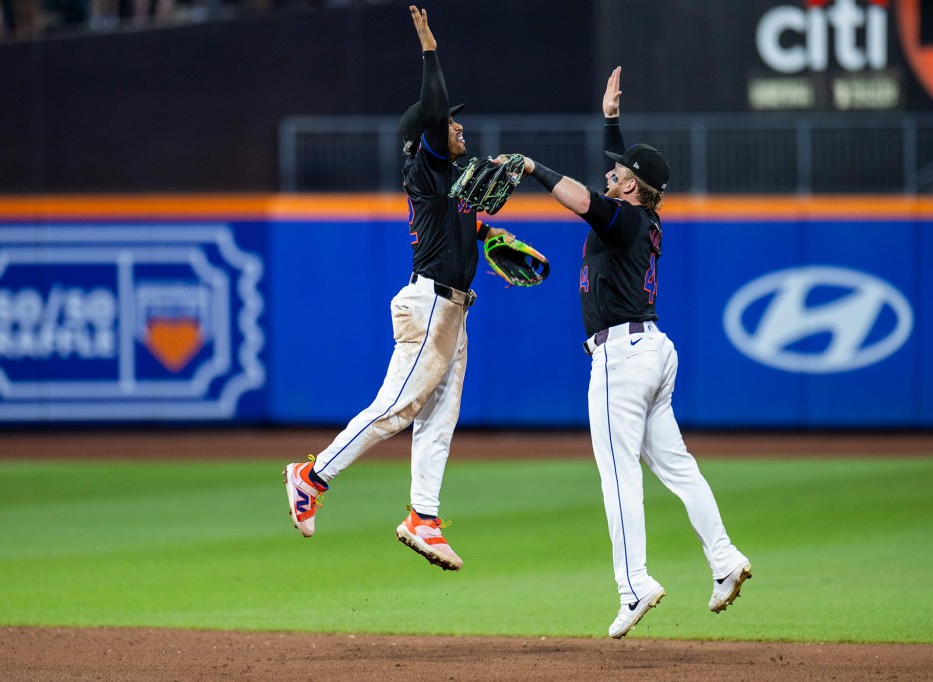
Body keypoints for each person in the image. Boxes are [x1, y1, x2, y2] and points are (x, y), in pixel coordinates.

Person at [506, 66, 751, 638]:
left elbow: (588, 201)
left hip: (622, 357)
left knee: (619, 475)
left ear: (631, 187)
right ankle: (724, 559)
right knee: (677, 466)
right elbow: (615, 181)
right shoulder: (643, 215)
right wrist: (611, 120)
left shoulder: (621, 216)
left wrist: (531, 168)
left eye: (619, 174)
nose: (610, 174)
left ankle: (634, 583)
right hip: (653, 351)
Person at [282, 4, 514, 572]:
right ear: (427, 137)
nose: (458, 125)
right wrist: (429, 46)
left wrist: (487, 235)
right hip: (430, 306)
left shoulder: (450, 187)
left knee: (439, 417)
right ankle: (310, 476)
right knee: (395, 408)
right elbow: (434, 111)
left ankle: (423, 519)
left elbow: (462, 224)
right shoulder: (427, 166)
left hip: (453, 310)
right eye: (449, 122)